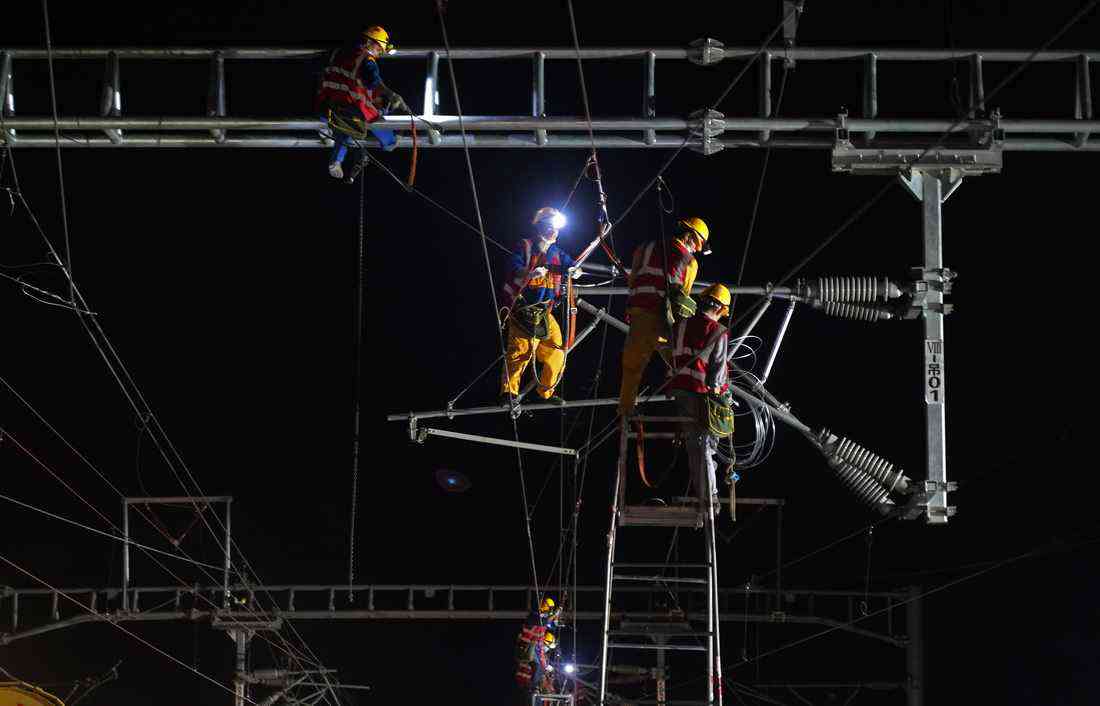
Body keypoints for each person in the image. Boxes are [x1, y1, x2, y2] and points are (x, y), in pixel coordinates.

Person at [618, 217, 711, 416]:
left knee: (632, 368)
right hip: (660, 319)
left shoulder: (645, 247)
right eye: (697, 244)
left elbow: (633, 280)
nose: (696, 249)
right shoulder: (689, 261)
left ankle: (625, 411)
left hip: (637, 314)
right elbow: (681, 299)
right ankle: (698, 410)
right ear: (689, 236)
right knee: (684, 363)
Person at [499, 207, 579, 407]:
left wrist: (576, 270)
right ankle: (509, 392)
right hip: (523, 310)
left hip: (545, 312)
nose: (555, 232)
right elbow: (513, 267)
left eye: (557, 228)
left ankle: (545, 391)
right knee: (520, 352)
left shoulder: (558, 253)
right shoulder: (525, 246)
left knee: (558, 351)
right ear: (541, 226)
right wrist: (528, 273)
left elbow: (572, 265)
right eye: (551, 227)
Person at [667, 283, 732, 517]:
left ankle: (705, 493)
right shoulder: (718, 331)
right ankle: (710, 499)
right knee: (705, 446)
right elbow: (717, 375)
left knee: (695, 447)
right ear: (721, 309)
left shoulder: (679, 326)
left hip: (681, 392)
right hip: (703, 395)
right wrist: (722, 398)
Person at [315, 26, 407, 183]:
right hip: (348, 112)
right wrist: (390, 94)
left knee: (344, 128)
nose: (378, 54)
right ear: (369, 42)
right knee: (365, 127)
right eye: (379, 49)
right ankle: (391, 141)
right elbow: (374, 82)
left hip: (324, 109)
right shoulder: (366, 60)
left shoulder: (336, 52)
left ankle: (335, 155)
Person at [515, 597, 561, 705]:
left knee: (539, 665)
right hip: (524, 650)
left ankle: (534, 689)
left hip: (530, 653)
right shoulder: (534, 617)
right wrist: (554, 615)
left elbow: (549, 625)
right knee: (538, 665)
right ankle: (533, 688)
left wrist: (555, 618)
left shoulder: (542, 626)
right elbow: (543, 621)